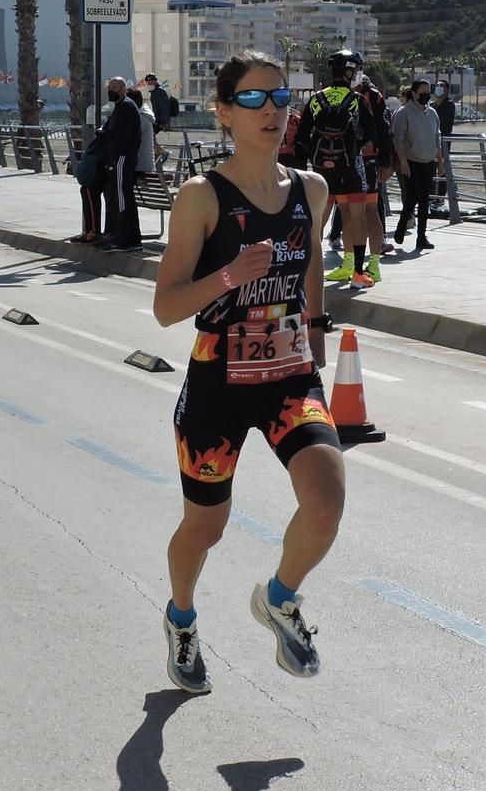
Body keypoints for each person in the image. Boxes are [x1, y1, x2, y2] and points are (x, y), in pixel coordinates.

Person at [151, 49, 341, 693]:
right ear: (225, 112)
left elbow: (312, 265)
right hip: (218, 382)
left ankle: (280, 599)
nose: (272, 112)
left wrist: (313, 333)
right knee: (206, 526)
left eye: (281, 98)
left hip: (288, 376)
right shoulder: (201, 197)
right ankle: (181, 619)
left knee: (326, 502)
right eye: (255, 100)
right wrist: (229, 276)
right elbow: (165, 308)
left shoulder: (310, 190)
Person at [298, 49, 386, 287]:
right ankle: (358, 273)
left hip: (321, 169)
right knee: (356, 218)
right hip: (350, 166)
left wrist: (313, 158)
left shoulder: (316, 98)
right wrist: (355, 146)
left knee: (318, 219)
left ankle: (306, 270)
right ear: (349, 72)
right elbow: (371, 133)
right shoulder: (357, 100)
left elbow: (302, 135)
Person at [390, 78, 441, 251]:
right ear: (414, 93)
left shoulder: (433, 113)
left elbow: (437, 139)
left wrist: (440, 163)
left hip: (428, 162)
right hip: (411, 162)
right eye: (423, 92)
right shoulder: (404, 112)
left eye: (428, 92)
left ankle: (421, 237)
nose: (426, 95)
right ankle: (402, 225)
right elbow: (398, 139)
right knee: (412, 198)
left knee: (425, 200)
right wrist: (403, 162)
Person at [96, 76, 145, 252]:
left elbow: (118, 134)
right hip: (121, 157)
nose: (111, 90)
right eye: (109, 87)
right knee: (122, 198)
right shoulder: (122, 106)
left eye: (115, 87)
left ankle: (123, 240)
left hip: (122, 158)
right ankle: (130, 239)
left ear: (124, 89)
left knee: (122, 199)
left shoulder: (125, 107)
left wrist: (104, 133)